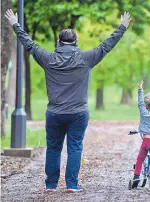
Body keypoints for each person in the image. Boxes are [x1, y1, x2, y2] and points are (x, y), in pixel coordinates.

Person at [5, 9, 131, 193]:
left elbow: (29, 45)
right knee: (75, 148)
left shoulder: (48, 59)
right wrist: (122, 27)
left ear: (58, 41)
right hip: (78, 113)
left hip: (55, 113)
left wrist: (15, 24)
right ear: (76, 42)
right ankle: (72, 185)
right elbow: (106, 45)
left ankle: (51, 185)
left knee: (54, 148)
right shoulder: (85, 59)